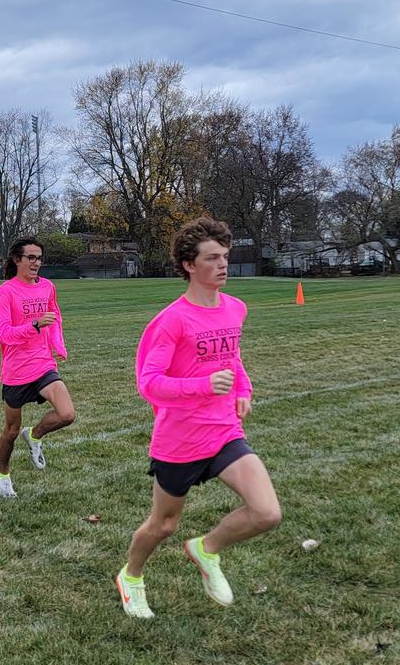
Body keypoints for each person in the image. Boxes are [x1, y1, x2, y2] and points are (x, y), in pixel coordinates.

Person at [115, 217, 281, 620]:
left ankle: (206, 549)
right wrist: (205, 385)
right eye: (212, 258)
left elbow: (233, 359)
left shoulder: (235, 309)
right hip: (180, 439)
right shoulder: (172, 320)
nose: (223, 265)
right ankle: (131, 576)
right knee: (164, 525)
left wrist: (242, 390)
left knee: (266, 513)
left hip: (224, 431)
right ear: (190, 265)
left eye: (225, 256)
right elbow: (149, 384)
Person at [0, 237, 75, 499]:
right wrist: (33, 326)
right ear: (17, 260)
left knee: (67, 414)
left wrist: (58, 346)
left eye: (39, 258)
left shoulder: (48, 287)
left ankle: (35, 435)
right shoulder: (5, 292)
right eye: (31, 258)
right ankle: (3, 473)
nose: (36, 263)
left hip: (43, 363)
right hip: (15, 371)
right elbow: (1, 332)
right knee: (11, 432)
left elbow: (55, 317)